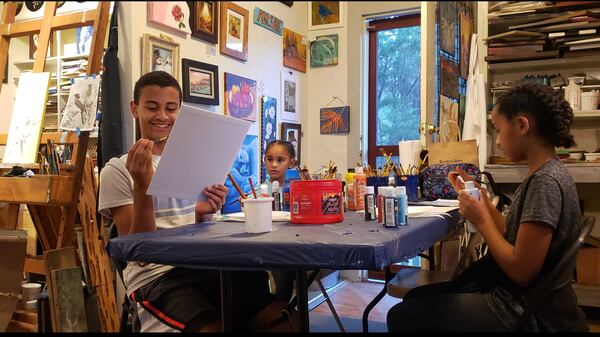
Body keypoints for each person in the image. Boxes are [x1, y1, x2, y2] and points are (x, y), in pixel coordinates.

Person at [99, 71, 294, 332]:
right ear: (135, 108)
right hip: (157, 275)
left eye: (171, 108)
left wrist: (202, 214)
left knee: (281, 319)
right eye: (152, 107)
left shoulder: (193, 158)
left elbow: (199, 229)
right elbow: (138, 251)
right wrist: (144, 185)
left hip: (203, 264)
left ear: (180, 111)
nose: (162, 116)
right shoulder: (118, 169)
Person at [386, 81, 588, 332]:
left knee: (401, 315)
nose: (499, 140)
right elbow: (513, 236)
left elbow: (521, 271)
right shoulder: (549, 173)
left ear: (522, 125)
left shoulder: (545, 183)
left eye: (499, 129)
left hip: (525, 311)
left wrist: (481, 221)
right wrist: (482, 200)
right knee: (415, 300)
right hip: (528, 301)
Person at [263, 140, 297, 302]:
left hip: (293, 242)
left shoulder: (297, 188)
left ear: (291, 163)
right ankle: (279, 309)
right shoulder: (260, 190)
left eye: (280, 160)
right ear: (264, 160)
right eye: (270, 159)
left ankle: (284, 310)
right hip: (269, 244)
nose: (274, 165)